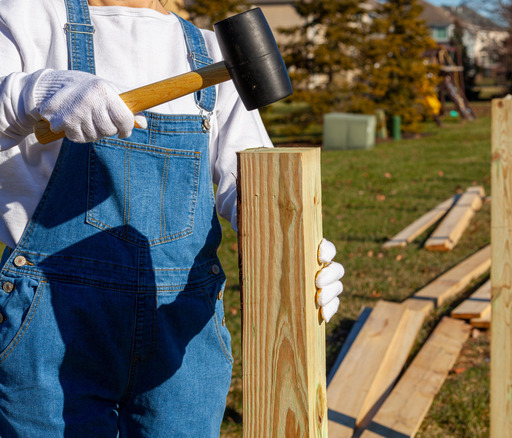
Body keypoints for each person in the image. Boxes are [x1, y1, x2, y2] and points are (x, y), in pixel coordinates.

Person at [0, 0, 343, 435]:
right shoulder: (29, 17)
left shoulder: (207, 48)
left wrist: (295, 255)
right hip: (49, 320)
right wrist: (31, 93)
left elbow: (250, 181)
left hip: (182, 327)